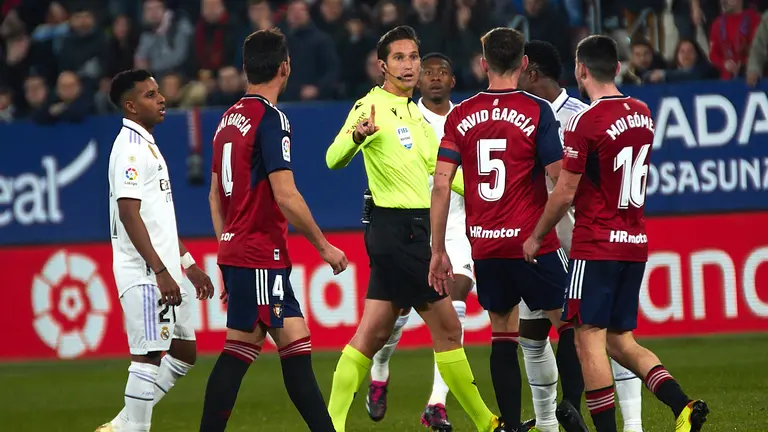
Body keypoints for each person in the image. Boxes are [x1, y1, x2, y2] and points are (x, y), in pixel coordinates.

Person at [522, 35, 710, 432]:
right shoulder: (643, 112)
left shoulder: (584, 121)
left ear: (581, 70)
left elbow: (565, 191)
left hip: (595, 244)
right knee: (620, 341)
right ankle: (683, 404)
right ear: (619, 68)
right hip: (634, 242)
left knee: (586, 338)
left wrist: (538, 235)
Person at [325, 25, 505, 432]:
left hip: (407, 230)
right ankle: (487, 423)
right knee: (449, 327)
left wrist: (488, 196)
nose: (408, 65)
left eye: (413, 57)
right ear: (382, 65)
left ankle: (330, 423)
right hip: (398, 229)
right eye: (400, 58)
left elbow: (439, 173)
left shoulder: (412, 114)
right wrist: (356, 136)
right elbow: (332, 158)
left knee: (371, 335)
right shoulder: (371, 106)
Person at [429, 27, 581, 432]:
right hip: (533, 243)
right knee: (570, 324)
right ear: (524, 63)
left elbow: (441, 183)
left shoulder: (460, 115)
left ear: (483, 64)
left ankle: (511, 426)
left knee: (502, 334)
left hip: (486, 247)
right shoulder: (537, 111)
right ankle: (570, 405)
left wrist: (438, 249)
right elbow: (555, 176)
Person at [201, 29, 348, 432]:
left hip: (240, 251)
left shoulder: (226, 120)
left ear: (245, 68)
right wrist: (323, 246)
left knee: (279, 344)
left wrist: (225, 250)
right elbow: (285, 194)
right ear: (286, 67)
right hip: (259, 253)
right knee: (251, 350)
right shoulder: (271, 119)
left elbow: (215, 196)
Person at [517, 40, 643, 432]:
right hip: (537, 237)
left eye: (521, 70)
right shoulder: (522, 114)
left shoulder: (580, 115)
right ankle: (551, 419)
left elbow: (572, 186)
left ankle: (627, 421)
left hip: (577, 236)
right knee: (533, 332)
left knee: (600, 333)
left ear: (532, 72)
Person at [98, 69, 215, 432]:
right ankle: (134, 427)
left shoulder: (146, 142)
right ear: (130, 106)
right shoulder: (131, 150)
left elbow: (157, 218)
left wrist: (187, 264)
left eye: (159, 91)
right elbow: (129, 214)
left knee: (183, 353)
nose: (161, 98)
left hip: (167, 269)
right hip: (147, 273)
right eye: (150, 95)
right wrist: (161, 271)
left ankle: (122, 424)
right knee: (147, 357)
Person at [364, 52, 475, 431]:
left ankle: (436, 404)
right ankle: (380, 368)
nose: (434, 78)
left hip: (456, 224)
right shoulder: (404, 115)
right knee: (395, 316)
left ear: (453, 80)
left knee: (454, 306)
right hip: (412, 225)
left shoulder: (465, 119)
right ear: (418, 81)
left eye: (443, 71)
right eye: (427, 72)